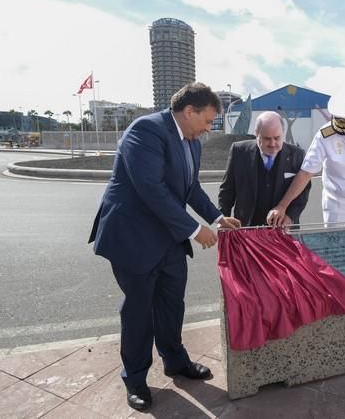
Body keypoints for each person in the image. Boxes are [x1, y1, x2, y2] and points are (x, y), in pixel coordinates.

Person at [88, 82, 241, 411]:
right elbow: (150, 188)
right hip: (133, 236)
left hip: (167, 236)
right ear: (189, 112)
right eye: (207, 120)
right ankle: (136, 378)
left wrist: (216, 219)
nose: (208, 128)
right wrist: (193, 228)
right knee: (139, 311)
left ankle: (175, 360)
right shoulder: (146, 131)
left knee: (172, 304)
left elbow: (190, 188)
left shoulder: (192, 143)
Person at [267, 88, 345, 248]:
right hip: (337, 203)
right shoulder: (325, 135)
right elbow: (306, 173)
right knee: (336, 253)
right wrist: (283, 205)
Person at [218, 111, 311, 226]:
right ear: (256, 134)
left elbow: (303, 191)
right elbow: (227, 191)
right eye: (267, 139)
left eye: (277, 138)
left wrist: (290, 216)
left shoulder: (297, 155)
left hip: (283, 228)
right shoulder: (239, 152)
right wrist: (223, 220)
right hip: (247, 228)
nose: (272, 144)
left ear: (283, 132)